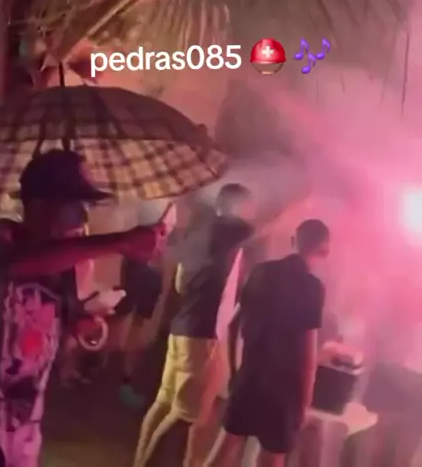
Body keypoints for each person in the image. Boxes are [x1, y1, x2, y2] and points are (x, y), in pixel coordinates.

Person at [0, 149, 174, 467]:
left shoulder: (62, 265)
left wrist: (85, 323)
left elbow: (61, 318)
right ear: (40, 204)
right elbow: (17, 264)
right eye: (74, 206)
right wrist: (119, 242)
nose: (82, 218)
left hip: (21, 428)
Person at [132, 183, 255, 467]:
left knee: (163, 404)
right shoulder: (228, 231)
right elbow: (261, 227)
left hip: (182, 328)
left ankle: (139, 462)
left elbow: (178, 284)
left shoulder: (197, 233)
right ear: (236, 208)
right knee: (184, 415)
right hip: (202, 334)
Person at [204, 218, 330, 467]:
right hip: (282, 391)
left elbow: (232, 324)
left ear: (293, 241)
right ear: (323, 251)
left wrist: (235, 372)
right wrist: (304, 403)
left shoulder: (261, 271)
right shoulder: (313, 287)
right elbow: (308, 351)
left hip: (250, 376)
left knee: (223, 451)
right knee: (271, 459)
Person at [116, 253, 165, 409]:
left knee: (129, 321)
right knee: (131, 322)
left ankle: (124, 380)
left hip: (143, 266)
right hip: (145, 267)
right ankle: (125, 381)